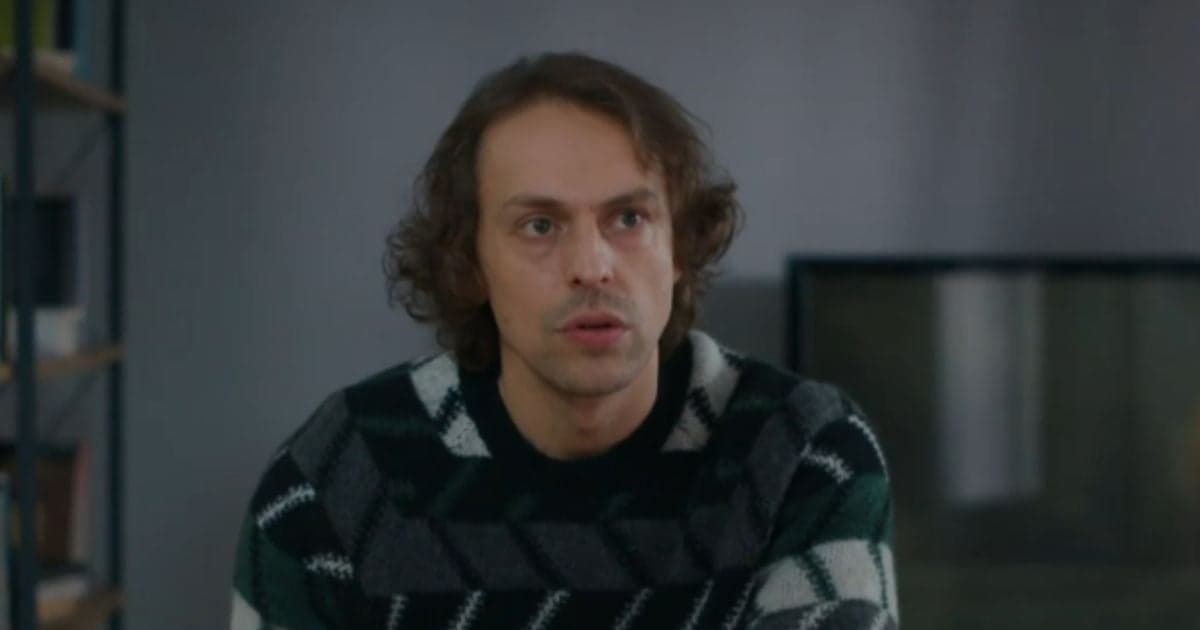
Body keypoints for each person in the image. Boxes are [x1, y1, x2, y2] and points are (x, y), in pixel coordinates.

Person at [230, 51, 898, 630]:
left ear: (679, 249)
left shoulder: (804, 453)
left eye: (629, 218)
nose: (592, 265)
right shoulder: (340, 474)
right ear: (471, 262)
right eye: (540, 226)